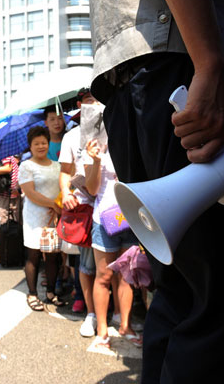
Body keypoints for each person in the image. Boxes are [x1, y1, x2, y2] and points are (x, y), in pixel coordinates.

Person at [89, 0, 224, 381]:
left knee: (181, 296)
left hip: (133, 81)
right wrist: (209, 64)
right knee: (223, 306)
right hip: (182, 66)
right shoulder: (198, 62)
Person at [84, 138, 141, 348]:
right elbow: (91, 189)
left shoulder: (134, 140)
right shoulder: (94, 146)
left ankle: (126, 325)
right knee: (104, 276)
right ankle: (102, 330)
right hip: (104, 219)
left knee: (126, 276)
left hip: (132, 217)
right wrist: (96, 161)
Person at [58, 87, 98, 334]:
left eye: (97, 101)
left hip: (114, 204)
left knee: (118, 264)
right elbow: (64, 173)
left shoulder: (116, 129)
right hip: (84, 207)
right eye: (88, 101)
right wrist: (66, 193)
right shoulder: (71, 137)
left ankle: (116, 315)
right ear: (80, 106)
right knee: (87, 264)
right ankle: (91, 313)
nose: (93, 106)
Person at [18, 126, 65, 311]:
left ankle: (51, 292)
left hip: (54, 217)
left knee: (53, 256)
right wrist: (53, 204)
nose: (40, 146)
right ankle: (32, 293)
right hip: (34, 217)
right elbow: (29, 192)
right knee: (33, 256)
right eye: (36, 143)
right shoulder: (26, 165)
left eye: (44, 142)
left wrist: (58, 206)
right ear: (30, 146)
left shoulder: (57, 165)